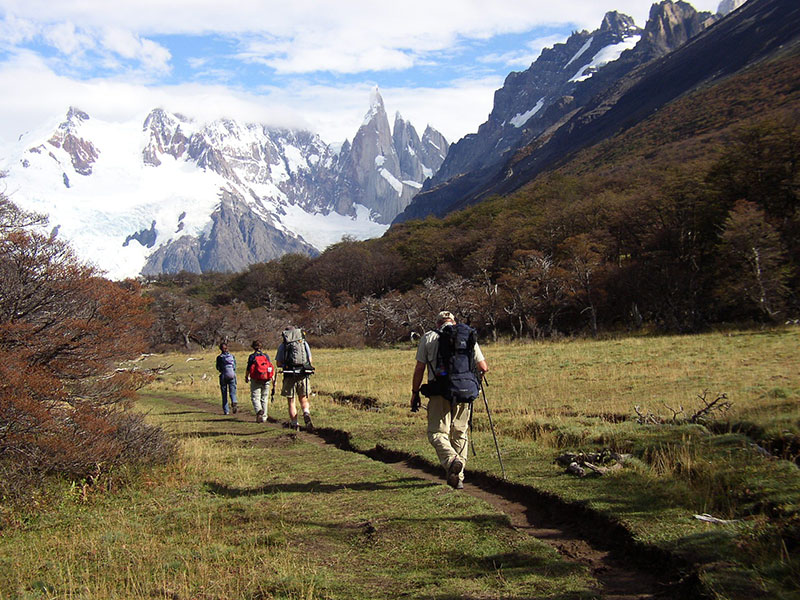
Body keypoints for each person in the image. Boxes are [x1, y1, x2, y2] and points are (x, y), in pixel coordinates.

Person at [411, 311, 489, 489]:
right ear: (453, 322)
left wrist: (415, 393)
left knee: (437, 433)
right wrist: (472, 383)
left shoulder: (429, 337)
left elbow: (419, 368)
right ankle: (458, 477)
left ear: (438, 323)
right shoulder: (467, 335)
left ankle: (451, 459)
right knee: (460, 433)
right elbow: (483, 367)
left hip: (439, 392)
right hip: (465, 392)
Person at [275, 326, 314, 431]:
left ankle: (295, 424)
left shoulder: (283, 345)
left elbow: (278, 363)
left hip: (289, 375)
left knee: (291, 401)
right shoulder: (303, 342)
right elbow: (310, 360)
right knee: (303, 398)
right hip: (302, 374)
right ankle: (306, 412)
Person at [245, 340, 274, 423]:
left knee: (255, 397)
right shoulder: (266, 356)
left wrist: (246, 377)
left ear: (253, 347)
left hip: (256, 379)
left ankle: (259, 410)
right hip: (266, 379)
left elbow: (248, 368)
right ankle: (264, 417)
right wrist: (272, 378)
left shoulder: (252, 357)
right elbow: (270, 367)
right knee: (264, 398)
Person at [215, 341, 238, 415]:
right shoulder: (232, 356)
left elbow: (218, 368)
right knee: (232, 392)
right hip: (232, 375)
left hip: (224, 376)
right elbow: (234, 366)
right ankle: (234, 401)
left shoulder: (219, 357)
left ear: (220, 349)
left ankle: (226, 410)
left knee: (224, 393)